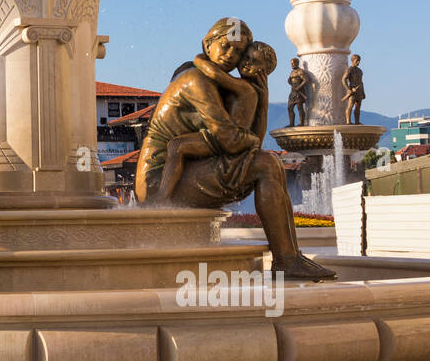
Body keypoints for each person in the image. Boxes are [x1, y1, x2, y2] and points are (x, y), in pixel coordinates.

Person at [134, 17, 334, 280]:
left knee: (269, 162)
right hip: (158, 182)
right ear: (208, 45)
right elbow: (230, 140)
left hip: (186, 168)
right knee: (265, 164)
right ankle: (286, 259)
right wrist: (249, 139)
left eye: (239, 51)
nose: (231, 55)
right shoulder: (196, 80)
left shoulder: (222, 84)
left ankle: (290, 257)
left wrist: (262, 100)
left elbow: (248, 141)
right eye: (226, 46)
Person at [156, 41, 277, 201]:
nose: (247, 63)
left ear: (265, 72)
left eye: (254, 62)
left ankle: (162, 198)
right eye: (246, 57)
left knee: (176, 146)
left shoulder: (243, 87)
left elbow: (214, 73)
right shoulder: (252, 91)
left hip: (224, 140)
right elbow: (258, 137)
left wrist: (199, 59)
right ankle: (164, 196)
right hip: (228, 139)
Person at [342, 54, 365, 124]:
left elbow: (361, 82)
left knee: (358, 107)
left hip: (359, 91)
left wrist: (363, 92)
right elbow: (343, 79)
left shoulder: (360, 71)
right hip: (353, 90)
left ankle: (357, 122)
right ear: (352, 61)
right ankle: (348, 121)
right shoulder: (350, 69)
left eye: (359, 61)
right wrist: (348, 89)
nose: (358, 62)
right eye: (357, 61)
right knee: (350, 106)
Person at [286, 57, 309, 127]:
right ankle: (291, 123)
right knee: (290, 108)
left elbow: (305, 80)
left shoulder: (300, 71)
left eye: (293, 63)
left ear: (297, 63)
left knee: (299, 107)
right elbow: (290, 81)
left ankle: (302, 123)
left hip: (299, 92)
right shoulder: (292, 72)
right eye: (291, 63)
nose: (292, 65)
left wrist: (299, 87)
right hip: (293, 92)